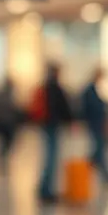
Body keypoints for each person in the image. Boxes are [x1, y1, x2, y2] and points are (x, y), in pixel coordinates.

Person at [35, 64, 74, 203]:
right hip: (52, 124)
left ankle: (44, 188)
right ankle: (46, 190)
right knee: (51, 157)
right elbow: (62, 106)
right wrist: (70, 120)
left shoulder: (45, 86)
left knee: (49, 156)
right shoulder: (54, 88)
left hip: (46, 124)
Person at [80, 69, 108, 186]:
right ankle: (93, 166)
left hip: (97, 123)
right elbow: (92, 106)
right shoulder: (90, 90)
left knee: (100, 149)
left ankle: (104, 174)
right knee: (99, 148)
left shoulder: (93, 89)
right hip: (94, 123)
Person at [0, 77, 20, 174]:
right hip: (6, 122)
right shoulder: (6, 94)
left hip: (5, 122)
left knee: (5, 143)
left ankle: (3, 159)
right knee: (5, 142)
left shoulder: (1, 93)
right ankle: (2, 159)